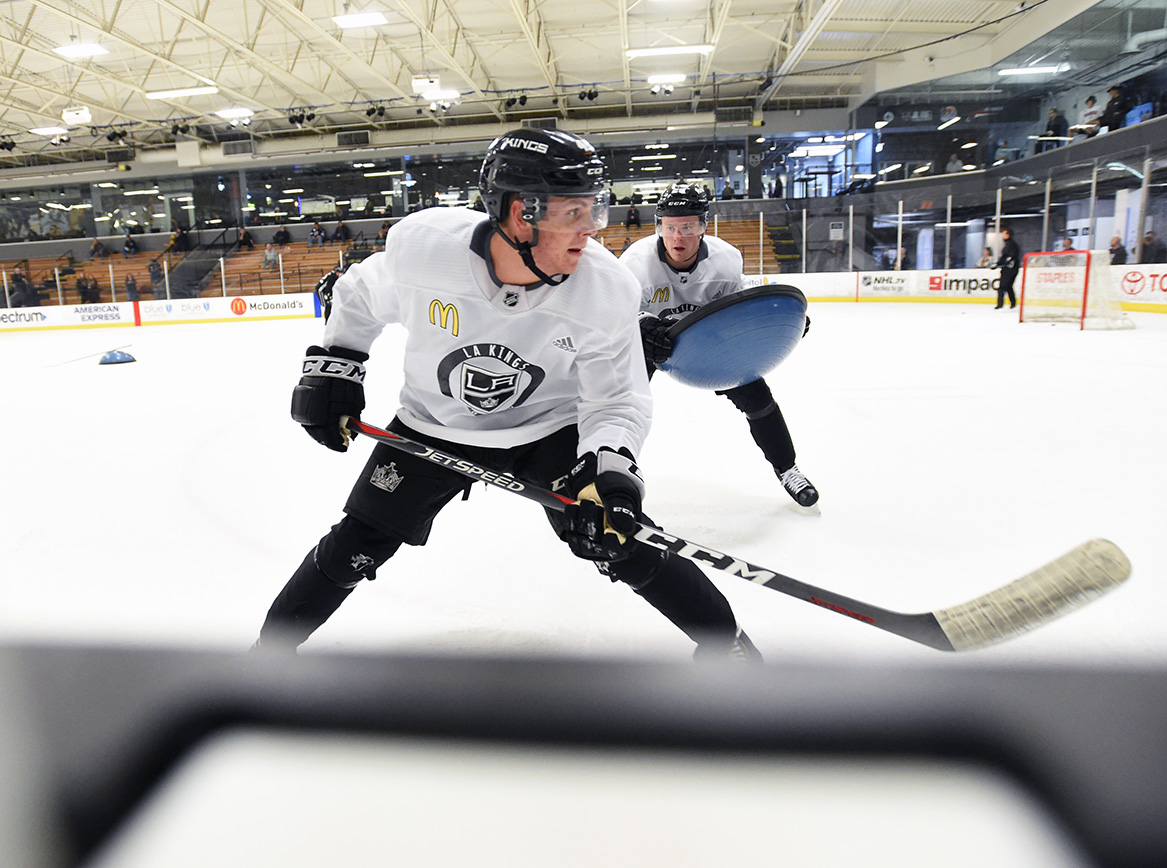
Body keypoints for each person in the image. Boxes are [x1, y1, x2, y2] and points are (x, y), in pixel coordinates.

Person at [253, 128, 759, 661]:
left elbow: (615, 400)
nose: (592, 230)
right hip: (432, 425)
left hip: (548, 428)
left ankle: (730, 646)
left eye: (596, 210)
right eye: (574, 213)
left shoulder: (606, 288)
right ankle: (266, 658)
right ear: (522, 212)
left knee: (621, 540)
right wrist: (337, 366)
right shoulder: (427, 249)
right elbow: (358, 292)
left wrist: (607, 468)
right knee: (357, 542)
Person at [619, 182, 819, 508]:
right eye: (669, 227)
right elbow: (614, 312)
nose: (678, 236)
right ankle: (604, 476)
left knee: (757, 395)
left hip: (707, 339)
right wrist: (641, 326)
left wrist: (782, 319)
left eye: (688, 226)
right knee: (621, 405)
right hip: (648, 342)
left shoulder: (726, 259)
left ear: (703, 227)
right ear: (659, 227)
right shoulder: (635, 261)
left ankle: (788, 469)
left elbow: (737, 312)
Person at [994, 227, 1020, 310]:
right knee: (1008, 286)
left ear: (1007, 235)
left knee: (1002, 287)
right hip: (1012, 268)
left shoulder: (1011, 245)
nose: (1002, 235)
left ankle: (1000, 304)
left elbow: (1008, 257)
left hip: (1009, 269)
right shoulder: (1010, 244)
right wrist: (998, 264)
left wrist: (1002, 263)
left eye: (1003, 233)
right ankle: (1013, 303)